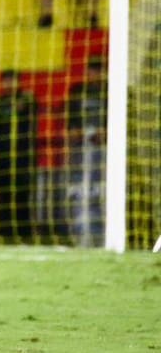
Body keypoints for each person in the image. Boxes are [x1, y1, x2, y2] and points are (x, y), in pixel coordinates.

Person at [0, 69, 37, 242]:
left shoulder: (28, 100)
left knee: (22, 197)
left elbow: (32, 113)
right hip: (1, 160)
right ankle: (6, 234)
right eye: (6, 81)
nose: (9, 84)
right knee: (3, 197)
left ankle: (25, 235)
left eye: (12, 81)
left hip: (22, 159)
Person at [64, 55, 107, 247]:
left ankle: (102, 229)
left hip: (103, 149)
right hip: (79, 149)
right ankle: (79, 226)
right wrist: (75, 132)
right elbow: (71, 120)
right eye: (90, 70)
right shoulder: (77, 91)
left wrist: (105, 132)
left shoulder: (109, 91)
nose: (93, 75)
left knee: (100, 187)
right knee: (78, 188)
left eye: (97, 71)